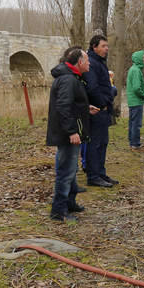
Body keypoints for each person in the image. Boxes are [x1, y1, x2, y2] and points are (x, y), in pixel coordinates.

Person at [47, 47, 98, 222]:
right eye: (87, 59)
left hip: (70, 132)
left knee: (71, 170)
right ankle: (58, 212)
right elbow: (63, 107)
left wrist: (85, 108)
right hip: (67, 134)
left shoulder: (73, 77)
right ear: (79, 62)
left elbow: (71, 103)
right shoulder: (68, 79)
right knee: (66, 172)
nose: (89, 62)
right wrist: (72, 131)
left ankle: (70, 203)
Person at [84, 35, 118, 188]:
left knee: (103, 143)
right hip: (97, 110)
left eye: (107, 46)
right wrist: (103, 101)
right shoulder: (91, 62)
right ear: (94, 47)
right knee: (95, 144)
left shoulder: (100, 62)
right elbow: (92, 88)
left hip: (104, 110)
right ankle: (93, 176)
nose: (106, 49)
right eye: (103, 46)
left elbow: (104, 85)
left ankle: (101, 173)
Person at [125, 50, 144, 150]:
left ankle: (132, 141)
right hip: (136, 101)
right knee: (136, 123)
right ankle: (135, 143)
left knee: (132, 122)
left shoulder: (133, 69)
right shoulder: (136, 70)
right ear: (139, 59)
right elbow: (136, 88)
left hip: (132, 100)